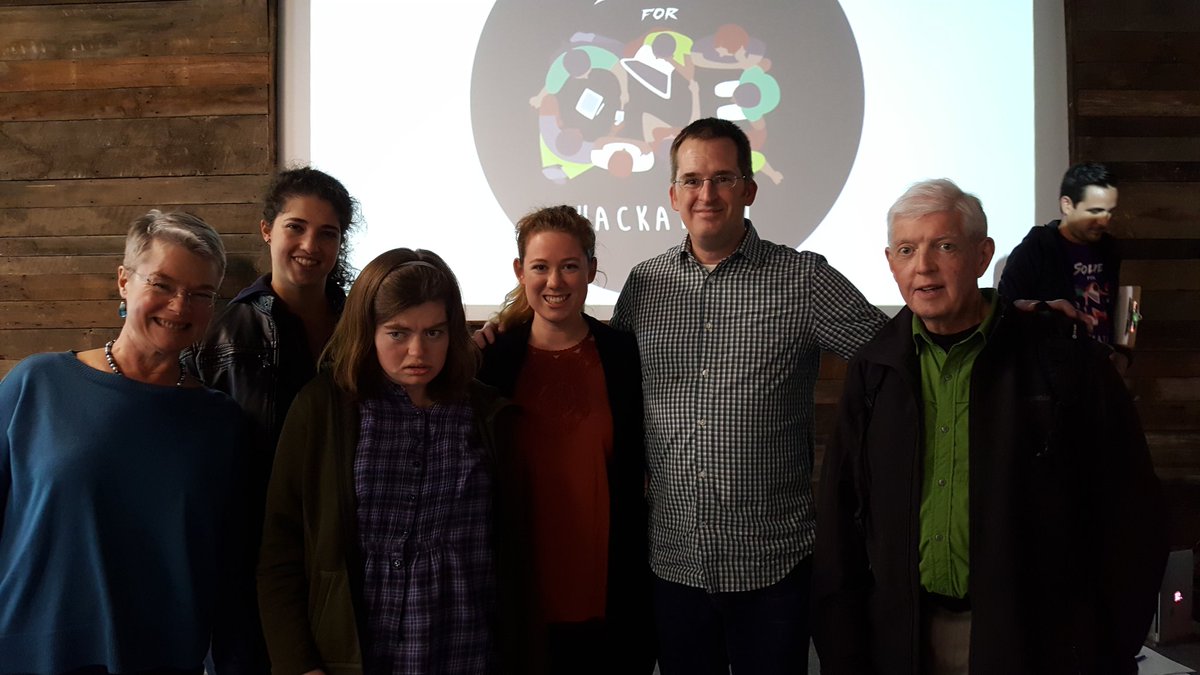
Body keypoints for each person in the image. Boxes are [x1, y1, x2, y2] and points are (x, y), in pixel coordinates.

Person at [812, 179, 1167, 675]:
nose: (923, 266)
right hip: (902, 640)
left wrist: (1108, 645)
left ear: (983, 256)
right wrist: (843, 649)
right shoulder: (874, 369)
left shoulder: (1062, 360)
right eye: (907, 250)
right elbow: (841, 520)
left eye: (944, 246)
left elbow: (1131, 512)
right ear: (890, 263)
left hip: (1033, 644)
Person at [609, 117, 888, 674]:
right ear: (673, 195)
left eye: (723, 178)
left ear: (750, 190)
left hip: (773, 569)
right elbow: (606, 374)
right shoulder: (643, 286)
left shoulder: (803, 279)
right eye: (692, 180)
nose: (706, 194)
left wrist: (994, 310)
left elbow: (892, 354)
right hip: (675, 565)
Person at [257, 248, 526, 675]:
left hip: (467, 650)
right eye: (398, 333)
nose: (418, 351)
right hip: (353, 655)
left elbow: (514, 553)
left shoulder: (486, 413)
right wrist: (298, 663)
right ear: (368, 331)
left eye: (434, 332)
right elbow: (280, 548)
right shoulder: (323, 409)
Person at [0, 210, 245, 672]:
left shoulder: (220, 423)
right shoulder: (37, 384)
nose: (180, 307)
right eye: (163, 284)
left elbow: (229, 570)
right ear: (123, 281)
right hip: (27, 655)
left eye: (200, 294)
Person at [187, 167, 359, 673]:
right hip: (252, 556)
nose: (310, 245)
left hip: (344, 551)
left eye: (327, 233)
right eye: (295, 227)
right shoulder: (223, 335)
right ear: (267, 229)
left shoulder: (361, 328)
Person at [476, 205, 655, 674]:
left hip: (609, 586)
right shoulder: (492, 361)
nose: (555, 281)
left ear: (591, 270)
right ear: (520, 271)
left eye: (570, 266)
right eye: (540, 267)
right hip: (520, 589)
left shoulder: (624, 355)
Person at [998, 163, 1126, 354]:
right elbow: (1004, 309)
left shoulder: (1109, 248)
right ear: (1067, 205)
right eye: (1095, 211)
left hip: (1102, 365)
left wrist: (1123, 354)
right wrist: (1043, 309)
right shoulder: (1036, 248)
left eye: (1109, 211)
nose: (1103, 220)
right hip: (1052, 367)